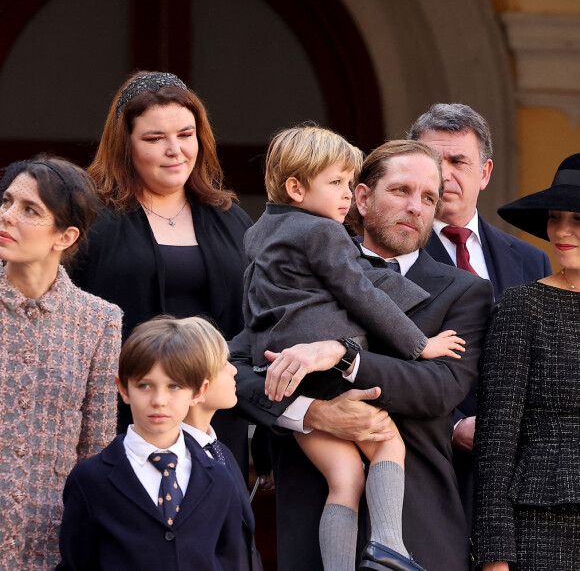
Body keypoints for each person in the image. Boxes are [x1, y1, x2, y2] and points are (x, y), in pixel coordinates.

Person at [231, 140, 494, 571]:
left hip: (419, 533)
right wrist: (306, 411)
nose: (415, 206)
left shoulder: (465, 291)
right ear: (363, 196)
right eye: (401, 190)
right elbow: (233, 368)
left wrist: (342, 355)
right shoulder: (297, 262)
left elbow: (439, 388)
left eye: (428, 197)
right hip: (313, 530)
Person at [71, 70, 253, 474]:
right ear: (126, 146)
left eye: (186, 135)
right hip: (119, 421)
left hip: (215, 424)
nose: (175, 150)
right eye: (155, 139)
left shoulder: (233, 219)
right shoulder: (89, 219)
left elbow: (259, 325)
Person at [407, 103, 552, 527]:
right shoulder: (389, 255)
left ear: (484, 173)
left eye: (458, 161)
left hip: (517, 482)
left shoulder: (530, 260)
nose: (445, 174)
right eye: (433, 161)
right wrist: (453, 426)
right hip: (428, 468)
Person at [0, 156, 122, 569]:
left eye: (30, 210)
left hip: (52, 543)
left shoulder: (100, 321)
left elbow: (97, 452)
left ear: (65, 236)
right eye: (7, 201)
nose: (8, 216)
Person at [57, 317, 243, 570]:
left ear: (198, 392)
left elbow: (232, 560)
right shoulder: (90, 479)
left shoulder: (219, 479)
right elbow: (75, 563)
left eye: (174, 386)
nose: (159, 400)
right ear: (123, 389)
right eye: (145, 385)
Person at [473, 153, 580, 570]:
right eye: (555, 217)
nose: (563, 231)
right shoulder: (524, 304)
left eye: (577, 218)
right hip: (543, 525)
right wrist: (495, 558)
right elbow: (496, 442)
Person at [178, 317, 263, 571]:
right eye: (223, 363)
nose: (234, 369)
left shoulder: (220, 451)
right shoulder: (175, 462)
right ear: (197, 382)